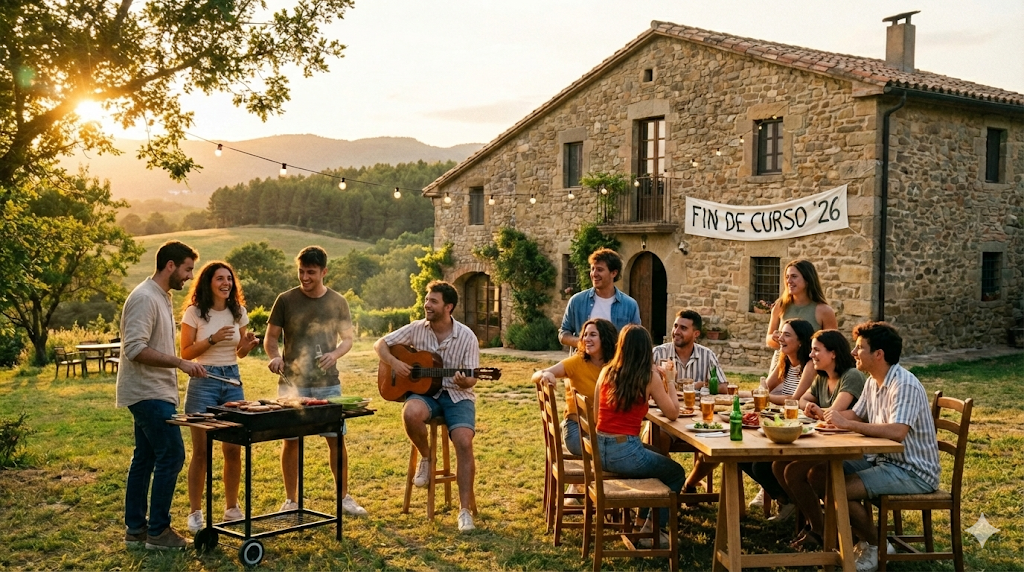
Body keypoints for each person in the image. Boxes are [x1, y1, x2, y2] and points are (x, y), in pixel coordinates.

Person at [811, 322, 939, 572]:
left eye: (860, 348)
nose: (853, 353)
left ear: (878, 354)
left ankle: (876, 545)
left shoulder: (904, 385)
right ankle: (865, 541)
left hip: (912, 471)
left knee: (837, 490)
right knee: (818, 474)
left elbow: (897, 432)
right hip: (883, 461)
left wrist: (847, 424)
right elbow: (856, 416)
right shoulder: (872, 381)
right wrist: (823, 414)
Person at [116, 241, 206, 550]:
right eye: (187, 269)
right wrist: (180, 362)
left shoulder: (160, 296)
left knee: (145, 457)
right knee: (173, 454)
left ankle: (136, 530)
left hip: (155, 392)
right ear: (170, 266)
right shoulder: (144, 297)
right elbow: (135, 348)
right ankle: (158, 532)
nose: (189, 276)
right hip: (147, 393)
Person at [264, 246, 365, 517]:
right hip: (292, 383)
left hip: (327, 383)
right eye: (301, 271)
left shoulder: (338, 302)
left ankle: (343, 497)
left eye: (311, 272)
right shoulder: (285, 300)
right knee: (291, 441)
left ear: (324, 272)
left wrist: (335, 354)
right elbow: (271, 338)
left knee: (335, 439)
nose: (305, 277)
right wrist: (275, 357)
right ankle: (291, 501)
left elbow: (348, 340)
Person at [374, 281, 481, 533]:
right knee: (410, 412)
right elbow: (380, 344)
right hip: (426, 395)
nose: (426, 305)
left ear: (448, 307)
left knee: (464, 441)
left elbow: (473, 377)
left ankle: (464, 511)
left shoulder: (466, 336)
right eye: (426, 299)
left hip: (457, 395)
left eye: (433, 301)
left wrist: (466, 379)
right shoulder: (416, 328)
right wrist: (394, 363)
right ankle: (427, 457)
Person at [179, 261, 261, 533]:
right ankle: (195, 512)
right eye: (219, 279)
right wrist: (212, 339)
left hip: (232, 382)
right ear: (208, 283)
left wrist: (247, 346)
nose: (226, 283)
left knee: (232, 449)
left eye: (229, 279)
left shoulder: (238, 312)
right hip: (203, 381)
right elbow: (186, 354)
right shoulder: (194, 313)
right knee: (201, 452)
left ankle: (231, 507)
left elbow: (238, 351)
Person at [593, 324, 685, 547]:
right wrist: (670, 380)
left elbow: (597, 413)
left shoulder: (606, 371)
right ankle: (654, 530)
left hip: (599, 449)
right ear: (646, 350)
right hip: (625, 453)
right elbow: (673, 413)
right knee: (675, 473)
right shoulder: (648, 377)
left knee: (656, 453)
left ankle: (642, 520)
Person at [774, 329, 865, 549]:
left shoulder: (851, 376)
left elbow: (834, 413)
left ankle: (820, 529)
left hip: (852, 448)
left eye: (816, 350)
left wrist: (817, 409)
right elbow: (803, 402)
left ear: (833, 353)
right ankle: (818, 524)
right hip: (827, 441)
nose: (811, 354)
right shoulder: (822, 377)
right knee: (779, 465)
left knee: (793, 471)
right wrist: (815, 408)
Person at [649, 310, 729, 493]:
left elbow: (723, 386)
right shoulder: (659, 353)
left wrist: (699, 385)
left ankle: (689, 484)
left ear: (696, 334)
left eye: (683, 328)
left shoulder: (707, 355)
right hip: (667, 417)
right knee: (656, 438)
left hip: (700, 417)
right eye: (675, 326)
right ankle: (665, 489)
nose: (676, 331)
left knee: (720, 445)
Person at [745, 318, 816, 520]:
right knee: (741, 457)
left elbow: (794, 400)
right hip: (777, 422)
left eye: (786, 335)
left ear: (801, 341)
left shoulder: (809, 365)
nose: (780, 338)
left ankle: (791, 502)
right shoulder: (784, 360)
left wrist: (761, 396)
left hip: (796, 427)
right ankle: (785, 500)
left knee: (760, 464)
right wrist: (742, 395)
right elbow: (763, 389)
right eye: (780, 333)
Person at [532, 318, 617, 456]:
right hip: (576, 432)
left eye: (593, 335)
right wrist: (546, 375)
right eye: (585, 335)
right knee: (624, 454)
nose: (586, 339)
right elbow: (536, 375)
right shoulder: (577, 362)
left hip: (606, 431)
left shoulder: (615, 365)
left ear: (606, 338)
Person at [558, 248, 641, 348]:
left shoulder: (630, 305)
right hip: (583, 362)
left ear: (613, 273)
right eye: (592, 269)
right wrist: (584, 343)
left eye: (600, 270)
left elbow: (637, 339)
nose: (594, 274)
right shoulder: (577, 301)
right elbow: (563, 334)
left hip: (615, 362)